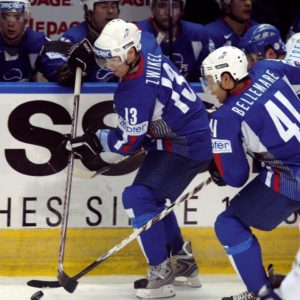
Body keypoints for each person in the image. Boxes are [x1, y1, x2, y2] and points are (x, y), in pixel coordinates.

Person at [65, 19, 213, 299]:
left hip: (185, 144)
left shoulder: (135, 91)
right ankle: (182, 263)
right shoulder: (144, 44)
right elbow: (130, 27)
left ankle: (160, 275)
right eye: (103, 58)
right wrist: (89, 50)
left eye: (114, 59)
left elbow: (125, 145)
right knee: (150, 199)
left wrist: (94, 139)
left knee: (137, 198)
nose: (108, 66)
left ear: (131, 53)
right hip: (178, 135)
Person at [200, 45, 300, 300]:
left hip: (292, 176)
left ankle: (260, 293)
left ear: (227, 78)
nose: (210, 89)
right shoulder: (270, 68)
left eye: (212, 81)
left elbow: (236, 177)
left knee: (229, 224)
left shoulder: (224, 118)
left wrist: (220, 166)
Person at [138, 0, 214, 82]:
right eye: (162, 6)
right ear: (152, 8)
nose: (168, 13)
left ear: (182, 10)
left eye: (174, 6)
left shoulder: (197, 35)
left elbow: (207, 78)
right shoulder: (138, 33)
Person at [57, 0, 120, 86]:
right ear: (88, 10)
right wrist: (69, 70)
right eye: (103, 6)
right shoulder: (73, 37)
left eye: (114, 6)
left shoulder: (126, 36)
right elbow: (57, 66)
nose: (110, 11)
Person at [0, 0, 65, 82]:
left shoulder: (37, 41)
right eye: (5, 17)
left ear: (26, 20)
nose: (11, 24)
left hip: (25, 94)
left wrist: (63, 72)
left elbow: (57, 68)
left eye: (17, 17)